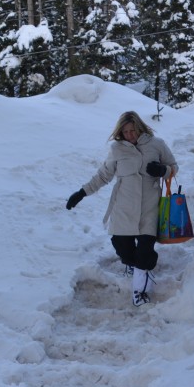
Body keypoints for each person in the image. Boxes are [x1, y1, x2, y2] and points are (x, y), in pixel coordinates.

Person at [65, 110, 178, 306]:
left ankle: (140, 291)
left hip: (149, 208)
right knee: (124, 250)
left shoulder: (156, 144)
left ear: (140, 128)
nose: (130, 135)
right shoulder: (117, 150)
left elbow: (173, 167)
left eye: (133, 130)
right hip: (123, 208)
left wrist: (163, 170)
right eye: (125, 132)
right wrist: (81, 193)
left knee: (145, 253)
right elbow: (103, 176)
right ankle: (134, 268)